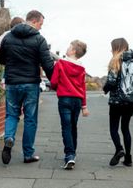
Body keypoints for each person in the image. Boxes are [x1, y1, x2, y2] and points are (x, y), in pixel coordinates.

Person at [0, 10, 54, 165]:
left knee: (11, 115)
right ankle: (28, 154)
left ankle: (9, 138)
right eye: (40, 24)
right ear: (34, 21)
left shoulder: (8, 37)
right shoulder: (39, 39)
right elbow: (48, 64)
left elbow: (0, 58)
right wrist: (55, 82)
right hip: (30, 84)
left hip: (12, 83)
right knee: (30, 119)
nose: (41, 28)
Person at [103, 38, 133, 167]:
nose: (110, 50)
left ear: (116, 48)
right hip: (129, 101)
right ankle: (128, 158)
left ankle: (119, 149)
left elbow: (112, 81)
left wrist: (105, 89)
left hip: (116, 101)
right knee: (125, 128)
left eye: (112, 47)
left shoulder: (115, 61)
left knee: (114, 128)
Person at [50, 40, 90, 170]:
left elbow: (54, 82)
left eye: (69, 47)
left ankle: (69, 155)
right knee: (73, 126)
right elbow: (83, 88)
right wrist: (84, 106)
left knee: (66, 127)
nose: (67, 49)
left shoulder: (60, 63)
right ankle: (73, 153)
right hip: (77, 101)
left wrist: (57, 88)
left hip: (65, 99)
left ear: (73, 51)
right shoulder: (82, 68)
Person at [0, 17, 25, 90]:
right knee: (8, 67)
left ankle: (4, 80)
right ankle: (3, 80)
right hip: (12, 59)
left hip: (13, 61)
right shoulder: (7, 33)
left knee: (8, 67)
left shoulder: (20, 35)